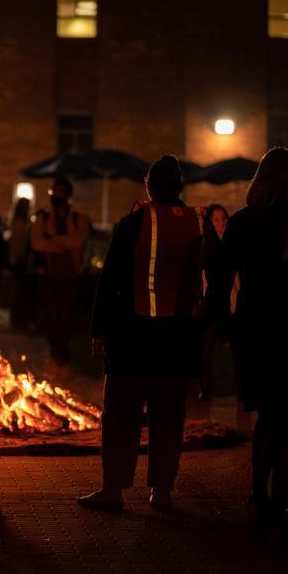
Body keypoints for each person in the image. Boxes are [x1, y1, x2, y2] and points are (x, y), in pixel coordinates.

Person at [212, 147, 288, 536]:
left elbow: (220, 276)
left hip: (254, 329)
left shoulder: (243, 220)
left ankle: (256, 496)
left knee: (266, 416)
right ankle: (279, 503)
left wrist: (224, 325)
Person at [78, 156, 208, 513]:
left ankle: (113, 489)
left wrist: (99, 330)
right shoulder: (201, 223)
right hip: (179, 339)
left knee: (121, 415)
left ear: (149, 187)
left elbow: (111, 280)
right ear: (180, 187)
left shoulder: (135, 222)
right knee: (169, 416)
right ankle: (162, 491)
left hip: (133, 337)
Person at [32, 178, 92, 371]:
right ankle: (55, 355)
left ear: (67, 194)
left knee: (65, 316)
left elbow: (79, 240)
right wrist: (63, 243)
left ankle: (64, 357)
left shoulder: (78, 217)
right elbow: (37, 243)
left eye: (60, 191)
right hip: (48, 273)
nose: (57, 195)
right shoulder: (43, 216)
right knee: (51, 315)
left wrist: (53, 240)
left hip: (70, 273)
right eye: (54, 191)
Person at [199, 204, 229, 401]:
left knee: (237, 349)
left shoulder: (233, 243)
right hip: (210, 304)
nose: (221, 223)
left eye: (223, 219)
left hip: (230, 304)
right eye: (216, 219)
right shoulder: (206, 245)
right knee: (206, 348)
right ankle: (205, 388)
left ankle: (243, 390)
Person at [8, 197, 37, 330]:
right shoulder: (20, 223)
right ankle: (18, 319)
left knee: (19, 291)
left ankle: (18, 319)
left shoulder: (17, 222)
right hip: (21, 260)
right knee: (20, 291)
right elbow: (19, 244)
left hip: (19, 260)